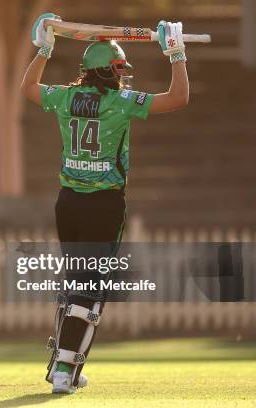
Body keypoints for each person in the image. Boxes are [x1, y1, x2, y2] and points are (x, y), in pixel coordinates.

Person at [21, 14, 189, 394]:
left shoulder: (63, 96)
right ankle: (66, 371)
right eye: (118, 69)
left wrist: (44, 50)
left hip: (67, 202)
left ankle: (62, 365)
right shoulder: (121, 101)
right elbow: (179, 99)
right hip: (104, 204)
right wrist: (176, 55)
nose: (122, 75)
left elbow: (28, 87)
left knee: (75, 281)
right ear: (108, 72)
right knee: (91, 287)